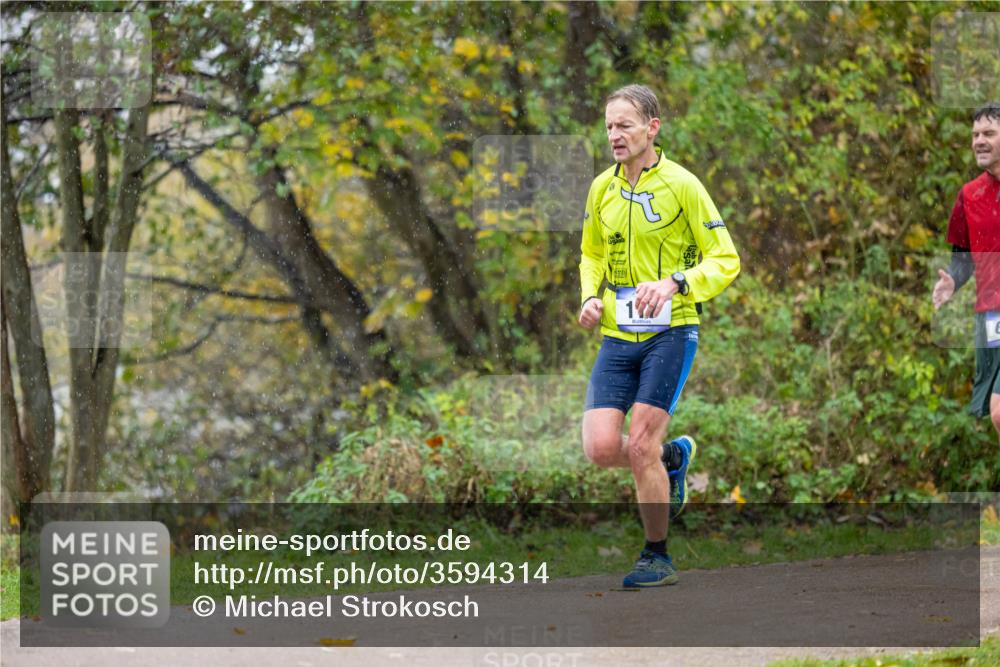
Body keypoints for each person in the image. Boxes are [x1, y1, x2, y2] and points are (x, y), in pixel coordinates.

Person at [578, 85, 740, 587]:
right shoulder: (601, 187)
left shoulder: (683, 185)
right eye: (608, 126)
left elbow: (726, 259)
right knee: (602, 448)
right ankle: (675, 459)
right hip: (617, 333)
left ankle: (657, 556)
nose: (614, 135)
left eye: (624, 125)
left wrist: (676, 282)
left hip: (672, 330)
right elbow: (592, 254)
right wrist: (589, 297)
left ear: (652, 128)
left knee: (642, 445)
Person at [933, 102, 1000, 442]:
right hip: (990, 316)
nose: (979, 141)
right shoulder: (969, 195)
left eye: (989, 133)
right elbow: (962, 258)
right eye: (975, 135)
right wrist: (952, 282)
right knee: (996, 413)